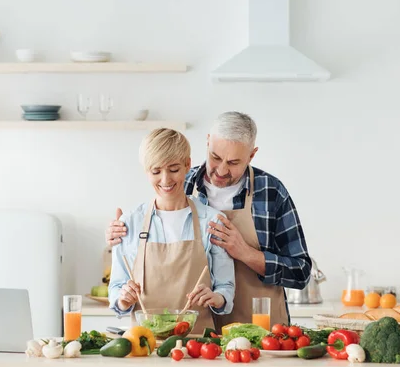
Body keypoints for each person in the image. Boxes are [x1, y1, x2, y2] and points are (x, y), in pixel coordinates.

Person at [107, 112, 311, 331]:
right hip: (201, 333)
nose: (222, 170)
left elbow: (300, 272)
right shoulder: (178, 183)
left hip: (260, 328)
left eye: (233, 162)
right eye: (215, 157)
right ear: (207, 142)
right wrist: (118, 235)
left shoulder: (271, 192)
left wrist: (245, 253)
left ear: (252, 155)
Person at [108, 128, 235, 333]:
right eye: (156, 171)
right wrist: (123, 299)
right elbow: (116, 288)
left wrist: (217, 298)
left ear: (187, 164)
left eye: (174, 169)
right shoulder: (129, 223)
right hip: (144, 345)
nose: (166, 180)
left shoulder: (212, 221)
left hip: (198, 346)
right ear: (146, 171)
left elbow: (225, 288)